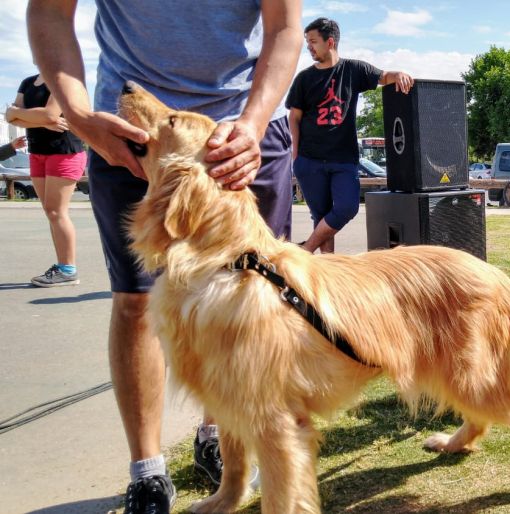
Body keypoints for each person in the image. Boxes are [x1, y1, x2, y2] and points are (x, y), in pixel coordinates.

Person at [28, 1, 302, 512]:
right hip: (126, 138)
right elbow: (47, 13)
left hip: (242, 136)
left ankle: (220, 443)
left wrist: (254, 122)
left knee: (246, 308)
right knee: (135, 303)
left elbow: (285, 26)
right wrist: (81, 116)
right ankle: (147, 471)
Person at [287, 17, 413, 253]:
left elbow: (383, 77)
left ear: (330, 42)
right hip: (310, 159)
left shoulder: (353, 69)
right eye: (307, 42)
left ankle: (306, 249)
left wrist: (398, 74)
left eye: (313, 41)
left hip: (343, 158)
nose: (309, 47)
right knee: (321, 216)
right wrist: (296, 154)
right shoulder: (304, 78)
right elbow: (294, 118)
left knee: (347, 208)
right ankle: (328, 268)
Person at [6, 74, 86, 287]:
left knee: (56, 211)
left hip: (64, 151)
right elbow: (9, 117)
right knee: (51, 213)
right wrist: (38, 118)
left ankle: (68, 270)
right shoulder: (27, 82)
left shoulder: (63, 80)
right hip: (37, 151)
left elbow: (51, 114)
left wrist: (20, 114)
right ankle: (63, 267)